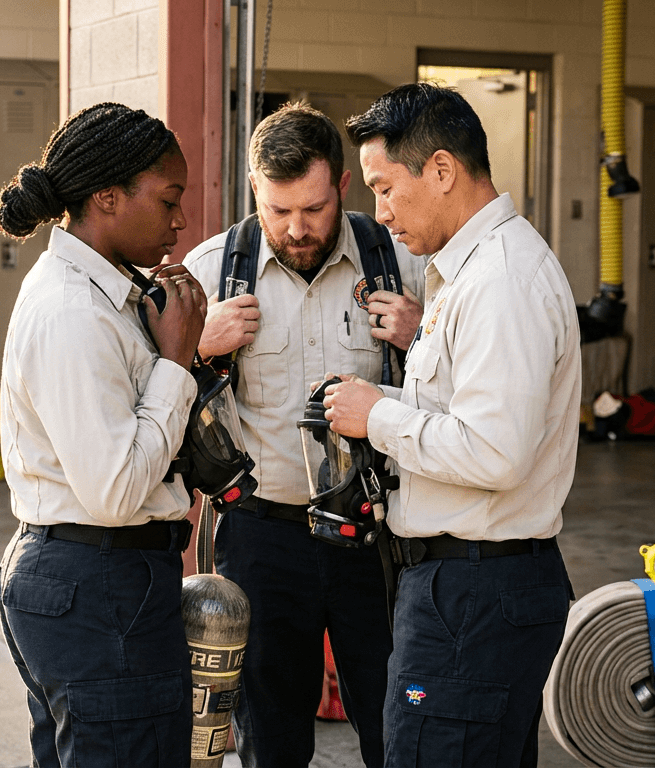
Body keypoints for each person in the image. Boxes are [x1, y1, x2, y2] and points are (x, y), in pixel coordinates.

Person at [324, 82, 581, 767]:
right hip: (466, 586)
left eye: (384, 188)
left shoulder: (501, 281)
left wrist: (377, 416)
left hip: (474, 594)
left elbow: (495, 453)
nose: (378, 213)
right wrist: (383, 401)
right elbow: (461, 414)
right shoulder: (467, 274)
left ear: (441, 170)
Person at [182, 102, 425, 768]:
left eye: (313, 210)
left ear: (342, 186)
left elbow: (464, 393)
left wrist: (422, 335)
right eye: (277, 210)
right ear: (255, 192)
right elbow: (150, 399)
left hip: (375, 534)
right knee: (270, 733)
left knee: (394, 722)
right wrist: (196, 349)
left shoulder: (400, 261)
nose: (295, 228)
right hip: (261, 539)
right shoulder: (209, 273)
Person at [0, 102, 208, 768]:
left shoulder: (105, 296)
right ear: (107, 198)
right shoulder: (72, 311)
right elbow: (114, 491)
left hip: (94, 580)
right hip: (99, 583)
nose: (179, 220)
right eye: (168, 200)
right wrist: (174, 362)